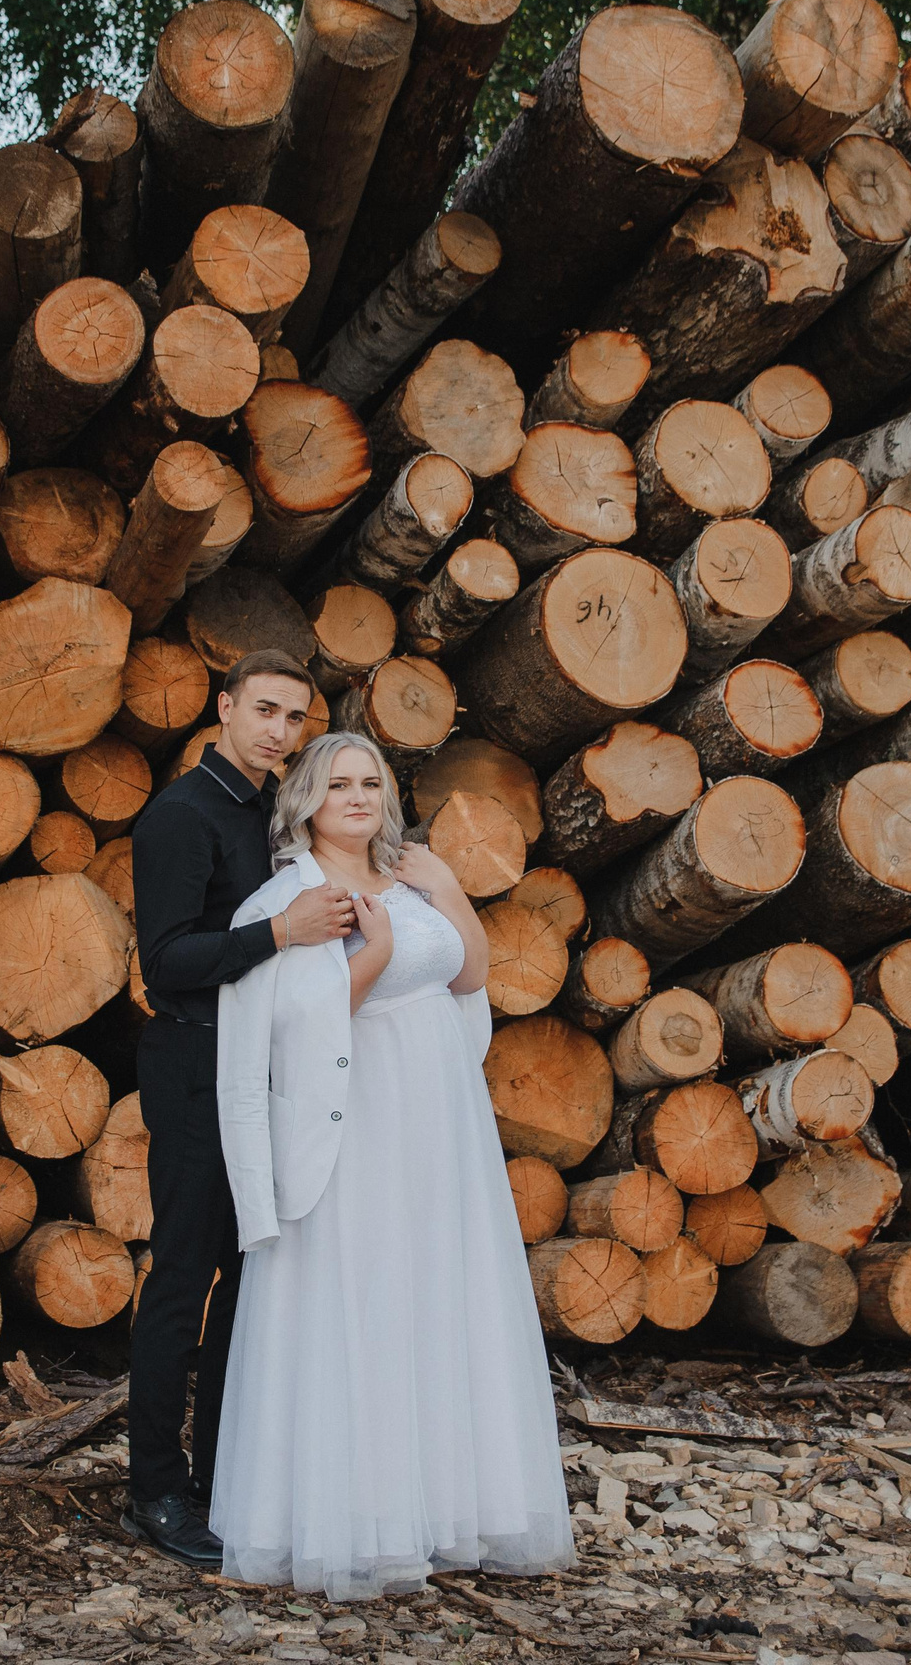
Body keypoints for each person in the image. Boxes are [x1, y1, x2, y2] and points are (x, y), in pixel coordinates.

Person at [209, 731, 576, 1601]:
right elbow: (284, 1035)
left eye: (370, 781)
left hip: (438, 1115)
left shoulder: (411, 877)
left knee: (436, 1289)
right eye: (338, 784)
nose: (358, 796)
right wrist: (369, 959)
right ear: (305, 799)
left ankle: (448, 1503)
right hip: (359, 1114)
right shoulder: (289, 897)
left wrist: (447, 888)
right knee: (361, 1289)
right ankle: (362, 1515)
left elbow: (469, 975)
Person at [125, 651, 356, 1567]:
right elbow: (166, 962)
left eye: (293, 718)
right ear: (223, 707)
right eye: (263, 710)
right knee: (183, 1280)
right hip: (193, 1066)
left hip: (267, 1070)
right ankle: (155, 1492)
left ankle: (226, 1474)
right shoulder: (181, 816)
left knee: (250, 1279)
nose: (277, 731)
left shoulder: (275, 813)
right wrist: (279, 934)